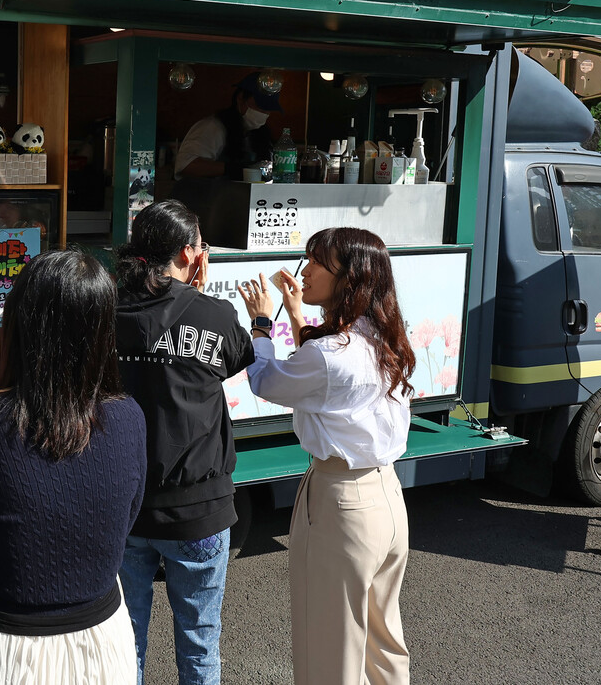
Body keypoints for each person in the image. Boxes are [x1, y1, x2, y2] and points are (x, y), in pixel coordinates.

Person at [0, 248, 148, 685]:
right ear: (104, 330)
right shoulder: (129, 417)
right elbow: (127, 516)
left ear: (18, 324)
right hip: (103, 643)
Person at [236, 228, 416, 685]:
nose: (304, 270)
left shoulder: (330, 354)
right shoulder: (380, 334)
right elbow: (321, 376)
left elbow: (268, 381)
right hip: (387, 495)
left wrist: (260, 325)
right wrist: (297, 313)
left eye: (318, 262)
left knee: (329, 651)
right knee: (382, 643)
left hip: (341, 504)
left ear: (349, 278)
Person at [114, 200, 255, 685]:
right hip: (200, 508)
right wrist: (201, 292)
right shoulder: (213, 313)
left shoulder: (109, 309)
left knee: (123, 641)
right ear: (189, 252)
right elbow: (240, 357)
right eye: (202, 245)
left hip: (126, 505)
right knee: (199, 644)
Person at [172, 73, 280, 236]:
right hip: (201, 213)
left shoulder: (260, 135)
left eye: (268, 109)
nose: (264, 113)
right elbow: (187, 166)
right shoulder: (212, 128)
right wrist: (234, 169)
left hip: (239, 214)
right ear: (240, 99)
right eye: (260, 106)